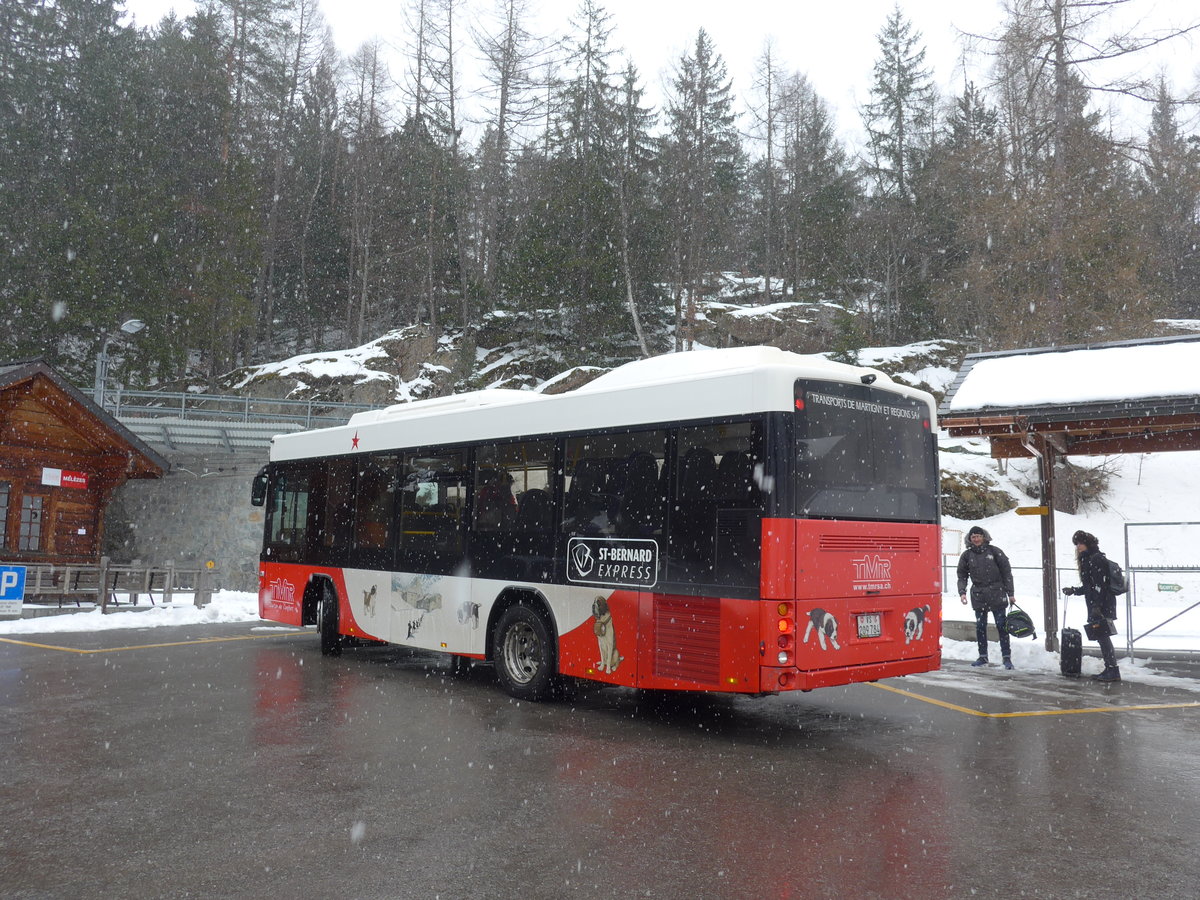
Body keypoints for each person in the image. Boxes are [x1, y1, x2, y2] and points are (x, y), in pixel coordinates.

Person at [1061, 530, 1120, 682]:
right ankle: (1111, 669)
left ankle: (1112, 670)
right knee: (1102, 637)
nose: (1078, 547)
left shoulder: (1096, 559)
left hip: (1101, 604)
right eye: (1077, 544)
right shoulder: (1089, 559)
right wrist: (1074, 590)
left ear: (1088, 543)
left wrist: (1097, 606)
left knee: (1103, 636)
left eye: (1080, 543)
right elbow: (1090, 586)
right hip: (1098, 603)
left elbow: (1100, 585)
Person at [957, 525, 1016, 669]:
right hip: (978, 595)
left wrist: (1011, 593)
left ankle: (1006, 657)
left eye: (978, 536)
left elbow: (1006, 573)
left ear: (984, 537)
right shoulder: (966, 555)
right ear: (970, 539)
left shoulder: (995, 552)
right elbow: (962, 575)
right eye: (973, 537)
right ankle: (983, 657)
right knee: (980, 627)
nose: (976, 539)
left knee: (1002, 626)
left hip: (997, 593)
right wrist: (962, 591)